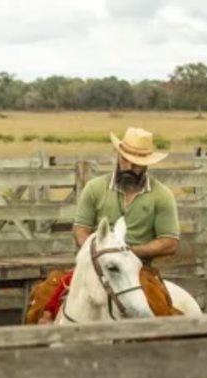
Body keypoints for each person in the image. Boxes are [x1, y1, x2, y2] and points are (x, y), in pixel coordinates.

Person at [27, 127, 181, 324]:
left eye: (136, 164)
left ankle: (162, 346)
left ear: (146, 166)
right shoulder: (95, 188)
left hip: (139, 268)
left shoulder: (162, 195)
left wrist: (127, 254)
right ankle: (39, 342)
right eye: (125, 159)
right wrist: (100, 252)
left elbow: (169, 242)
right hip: (97, 262)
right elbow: (81, 230)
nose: (128, 166)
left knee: (157, 309)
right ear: (118, 156)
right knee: (44, 295)